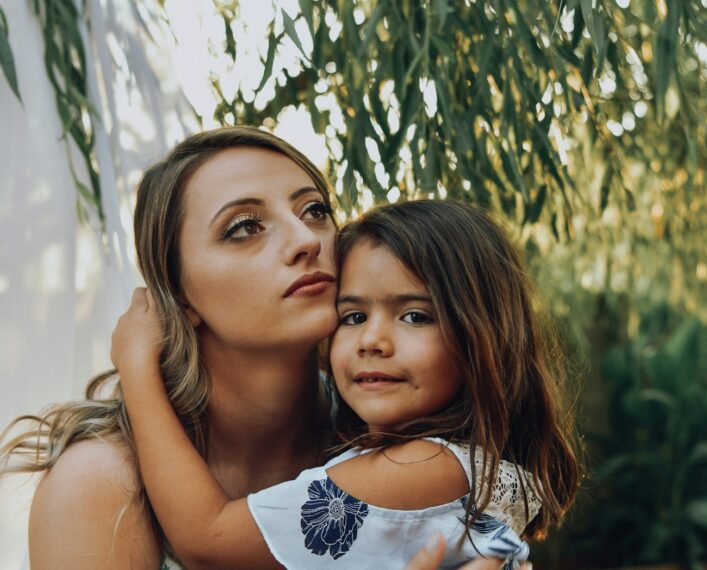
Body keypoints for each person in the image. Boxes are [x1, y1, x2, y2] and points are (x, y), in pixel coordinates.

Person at [0, 127, 485, 570]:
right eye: (244, 227)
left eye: (315, 211)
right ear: (179, 294)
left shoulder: (400, 432)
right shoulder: (104, 483)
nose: (305, 240)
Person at [112, 200, 580, 568]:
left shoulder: (429, 465)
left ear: (486, 337)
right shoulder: (446, 462)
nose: (371, 341)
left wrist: (138, 368)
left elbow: (208, 540)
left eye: (415, 316)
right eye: (353, 316)